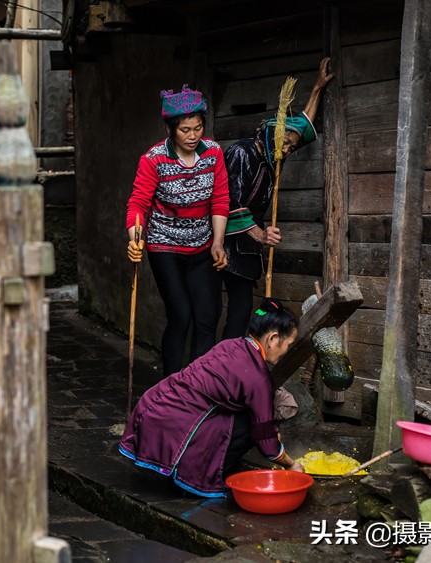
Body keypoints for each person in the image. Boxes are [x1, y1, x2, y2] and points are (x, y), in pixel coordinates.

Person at [118, 298, 305, 498]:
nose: (287, 351)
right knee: (251, 427)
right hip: (172, 423)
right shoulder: (257, 377)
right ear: (273, 338)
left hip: (153, 406)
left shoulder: (233, 345)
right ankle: (199, 474)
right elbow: (266, 441)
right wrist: (291, 463)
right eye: (289, 344)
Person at [220, 57, 336, 339]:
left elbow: (304, 128)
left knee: (241, 310)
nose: (286, 149)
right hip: (225, 241)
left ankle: (233, 368)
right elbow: (231, 203)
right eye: (284, 142)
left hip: (246, 247)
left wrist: (317, 88)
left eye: (291, 146)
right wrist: (261, 235)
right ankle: (219, 371)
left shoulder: (275, 155)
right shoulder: (242, 152)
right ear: (272, 132)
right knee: (221, 311)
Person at [126, 85, 230, 377]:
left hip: (202, 245)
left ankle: (200, 387)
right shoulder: (154, 159)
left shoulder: (213, 153)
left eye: (198, 128)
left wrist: (218, 243)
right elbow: (138, 204)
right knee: (181, 316)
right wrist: (135, 239)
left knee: (208, 317)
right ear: (170, 129)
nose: (193, 135)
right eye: (185, 130)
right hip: (165, 247)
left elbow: (220, 198)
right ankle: (170, 387)